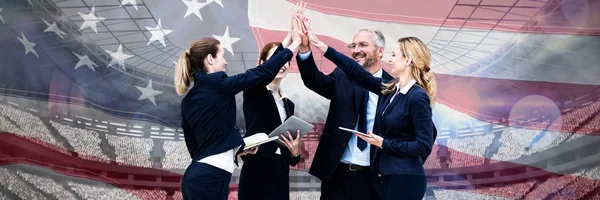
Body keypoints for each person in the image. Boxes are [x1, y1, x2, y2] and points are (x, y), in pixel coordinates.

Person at [174, 12, 304, 200]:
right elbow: (264, 71)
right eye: (222, 56)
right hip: (210, 179)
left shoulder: (189, 99)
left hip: (200, 176)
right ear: (210, 59)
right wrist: (294, 45)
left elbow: (197, 147)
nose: (226, 62)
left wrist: (237, 150)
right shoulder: (219, 84)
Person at [305, 23, 437, 199]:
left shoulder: (416, 96)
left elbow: (424, 144)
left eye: (394, 55)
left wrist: (384, 144)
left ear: (408, 60)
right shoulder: (391, 90)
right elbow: (357, 73)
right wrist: (321, 46)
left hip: (398, 179)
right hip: (360, 176)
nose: (390, 60)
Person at [296, 24, 393, 199]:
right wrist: (304, 50)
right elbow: (315, 81)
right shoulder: (342, 75)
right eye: (353, 46)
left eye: (363, 45)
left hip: (374, 177)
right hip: (337, 173)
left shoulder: (391, 86)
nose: (356, 50)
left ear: (380, 51)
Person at [237, 41, 303, 200]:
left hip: (280, 173)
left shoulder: (289, 104)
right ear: (262, 64)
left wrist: (295, 153)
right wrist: (292, 41)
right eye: (276, 59)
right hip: (256, 170)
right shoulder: (254, 90)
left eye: (285, 60)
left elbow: (289, 151)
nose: (282, 64)